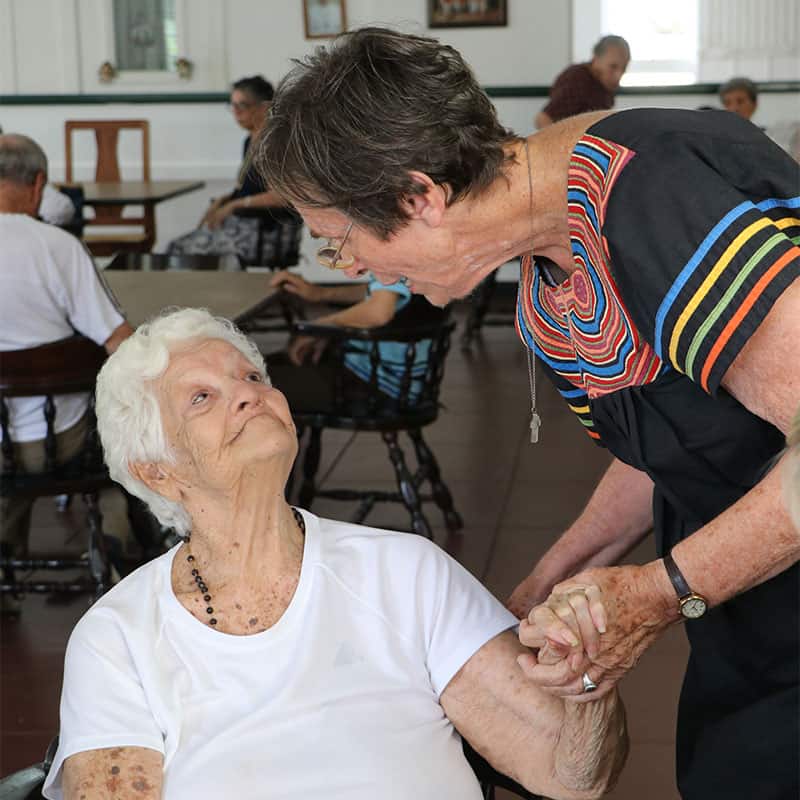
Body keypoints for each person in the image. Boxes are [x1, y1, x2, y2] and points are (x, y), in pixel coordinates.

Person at [253, 27, 800, 800]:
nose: (356, 269)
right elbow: (675, 444)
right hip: (745, 594)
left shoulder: (647, 193)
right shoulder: (546, 277)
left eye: (340, 243)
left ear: (420, 197)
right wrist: (556, 573)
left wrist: (650, 596)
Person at [42, 307, 628, 800]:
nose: (247, 395)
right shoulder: (118, 636)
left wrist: (586, 680)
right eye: (202, 398)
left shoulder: (404, 573)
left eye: (251, 376)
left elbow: (572, 775)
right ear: (158, 472)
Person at [0, 134, 134, 609]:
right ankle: (120, 554)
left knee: (10, 464)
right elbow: (118, 342)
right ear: (38, 184)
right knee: (119, 441)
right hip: (62, 440)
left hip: (4, 449)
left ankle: (6, 557)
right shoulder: (59, 248)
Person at [166, 76, 290, 264]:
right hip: (246, 226)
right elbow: (249, 187)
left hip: (262, 233)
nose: (236, 113)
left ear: (264, 107)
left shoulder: (273, 144)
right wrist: (223, 201)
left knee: (178, 251)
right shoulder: (251, 141)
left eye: (242, 106)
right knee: (178, 246)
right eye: (233, 106)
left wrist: (233, 205)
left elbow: (281, 197)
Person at [266, 269, 430, 411]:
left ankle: (286, 444)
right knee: (263, 369)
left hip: (379, 386)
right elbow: (381, 293)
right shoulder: (418, 247)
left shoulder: (395, 250)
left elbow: (379, 311)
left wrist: (322, 328)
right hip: (399, 381)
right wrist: (322, 293)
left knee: (253, 384)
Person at [534, 35, 630, 129]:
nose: (619, 75)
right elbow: (543, 119)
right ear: (595, 59)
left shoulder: (604, 84)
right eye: (613, 66)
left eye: (624, 68)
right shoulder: (577, 78)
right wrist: (563, 144)